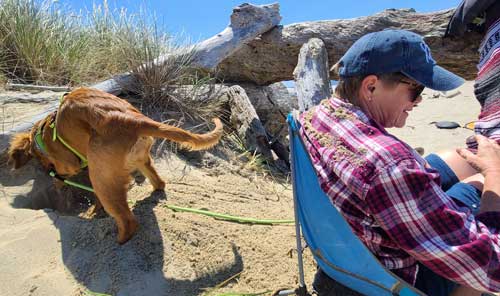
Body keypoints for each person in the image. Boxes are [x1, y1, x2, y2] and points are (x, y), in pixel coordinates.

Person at [299, 29, 500, 296]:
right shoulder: (390, 164)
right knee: (482, 181)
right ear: (370, 86)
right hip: (394, 278)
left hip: (352, 252)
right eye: (415, 89)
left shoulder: (316, 117)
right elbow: (488, 265)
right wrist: (494, 171)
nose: (418, 101)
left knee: (464, 159)